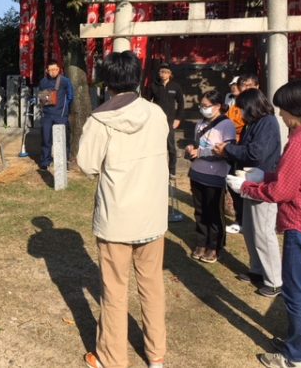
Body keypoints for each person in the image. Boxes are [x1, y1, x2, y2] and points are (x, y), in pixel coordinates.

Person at [227, 79, 301, 368]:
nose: (282, 116)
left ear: (295, 110)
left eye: (284, 109)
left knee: (296, 293)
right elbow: (294, 179)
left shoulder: (299, 141)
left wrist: (246, 187)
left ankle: (296, 356)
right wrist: (265, 177)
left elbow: (281, 193)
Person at [78, 51, 168, 368]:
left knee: (115, 292)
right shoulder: (157, 114)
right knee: (152, 285)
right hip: (153, 213)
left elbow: (87, 165)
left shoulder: (100, 119)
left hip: (117, 216)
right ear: (138, 76)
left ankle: (112, 359)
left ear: (107, 82)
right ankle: (156, 354)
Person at [213, 89, 282, 298]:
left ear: (252, 106)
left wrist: (228, 150)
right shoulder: (254, 123)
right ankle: (257, 270)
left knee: (263, 232)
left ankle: (275, 281)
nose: (240, 113)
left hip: (262, 182)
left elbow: (255, 152)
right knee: (251, 230)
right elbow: (246, 148)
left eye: (242, 108)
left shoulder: (268, 122)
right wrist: (230, 148)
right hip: (248, 180)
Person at [185, 90, 236, 263]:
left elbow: (225, 151)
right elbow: (196, 143)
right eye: (201, 106)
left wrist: (201, 152)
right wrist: (190, 149)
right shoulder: (199, 123)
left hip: (215, 175)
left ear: (218, 106)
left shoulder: (226, 125)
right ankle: (201, 242)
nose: (203, 109)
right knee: (200, 211)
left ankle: (214, 246)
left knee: (214, 212)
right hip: (197, 173)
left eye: (207, 106)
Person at [225, 73, 260, 234]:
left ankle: (248, 221)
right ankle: (240, 219)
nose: (245, 89)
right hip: (235, 150)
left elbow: (236, 124)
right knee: (234, 185)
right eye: (243, 86)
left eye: (249, 85)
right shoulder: (236, 106)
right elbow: (228, 121)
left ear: (257, 87)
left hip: (250, 155)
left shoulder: (259, 109)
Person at [145, 61, 184, 178]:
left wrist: (178, 119)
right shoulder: (153, 86)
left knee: (171, 147)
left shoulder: (175, 86)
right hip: (156, 121)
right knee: (155, 146)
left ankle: (172, 171)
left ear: (170, 74)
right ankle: (156, 170)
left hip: (170, 121)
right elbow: (147, 103)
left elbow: (181, 103)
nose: (163, 74)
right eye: (161, 72)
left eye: (166, 72)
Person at [38, 59, 74, 170]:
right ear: (46, 70)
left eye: (55, 69)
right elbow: (41, 96)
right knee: (46, 139)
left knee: (63, 139)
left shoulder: (65, 81)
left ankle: (64, 161)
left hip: (60, 115)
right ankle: (45, 161)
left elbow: (70, 96)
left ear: (59, 69)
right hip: (47, 115)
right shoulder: (43, 82)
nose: (53, 71)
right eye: (50, 70)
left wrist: (65, 108)